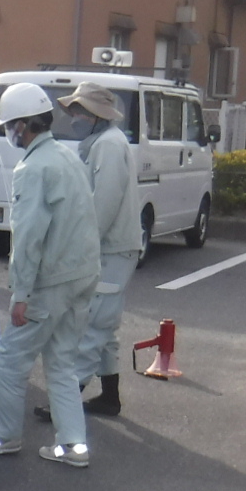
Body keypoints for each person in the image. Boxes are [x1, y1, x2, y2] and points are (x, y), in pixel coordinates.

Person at [0, 82, 101, 467]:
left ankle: (1, 436)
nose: (10, 134)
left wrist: (20, 294)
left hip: (50, 281)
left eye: (11, 127)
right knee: (61, 362)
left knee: (7, 360)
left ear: (23, 126)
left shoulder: (32, 169)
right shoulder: (68, 157)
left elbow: (28, 239)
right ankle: (74, 446)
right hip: (83, 274)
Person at [48, 82, 143, 419]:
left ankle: (66, 402)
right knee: (104, 329)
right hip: (114, 246)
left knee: (94, 325)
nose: (73, 116)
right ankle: (109, 397)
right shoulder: (102, 142)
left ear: (92, 114)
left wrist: (83, 246)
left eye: (78, 110)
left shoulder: (107, 146)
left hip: (111, 247)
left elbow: (104, 201)